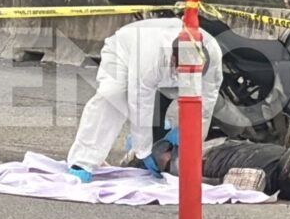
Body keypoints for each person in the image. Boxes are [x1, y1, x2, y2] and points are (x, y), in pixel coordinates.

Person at [65, 17, 223, 183]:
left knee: (192, 108)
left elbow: (206, 103)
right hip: (124, 51)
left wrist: (186, 136)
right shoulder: (150, 56)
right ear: (174, 60)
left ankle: (162, 136)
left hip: (167, 70)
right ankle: (83, 162)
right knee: (113, 95)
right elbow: (140, 103)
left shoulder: (213, 55)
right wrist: (144, 151)